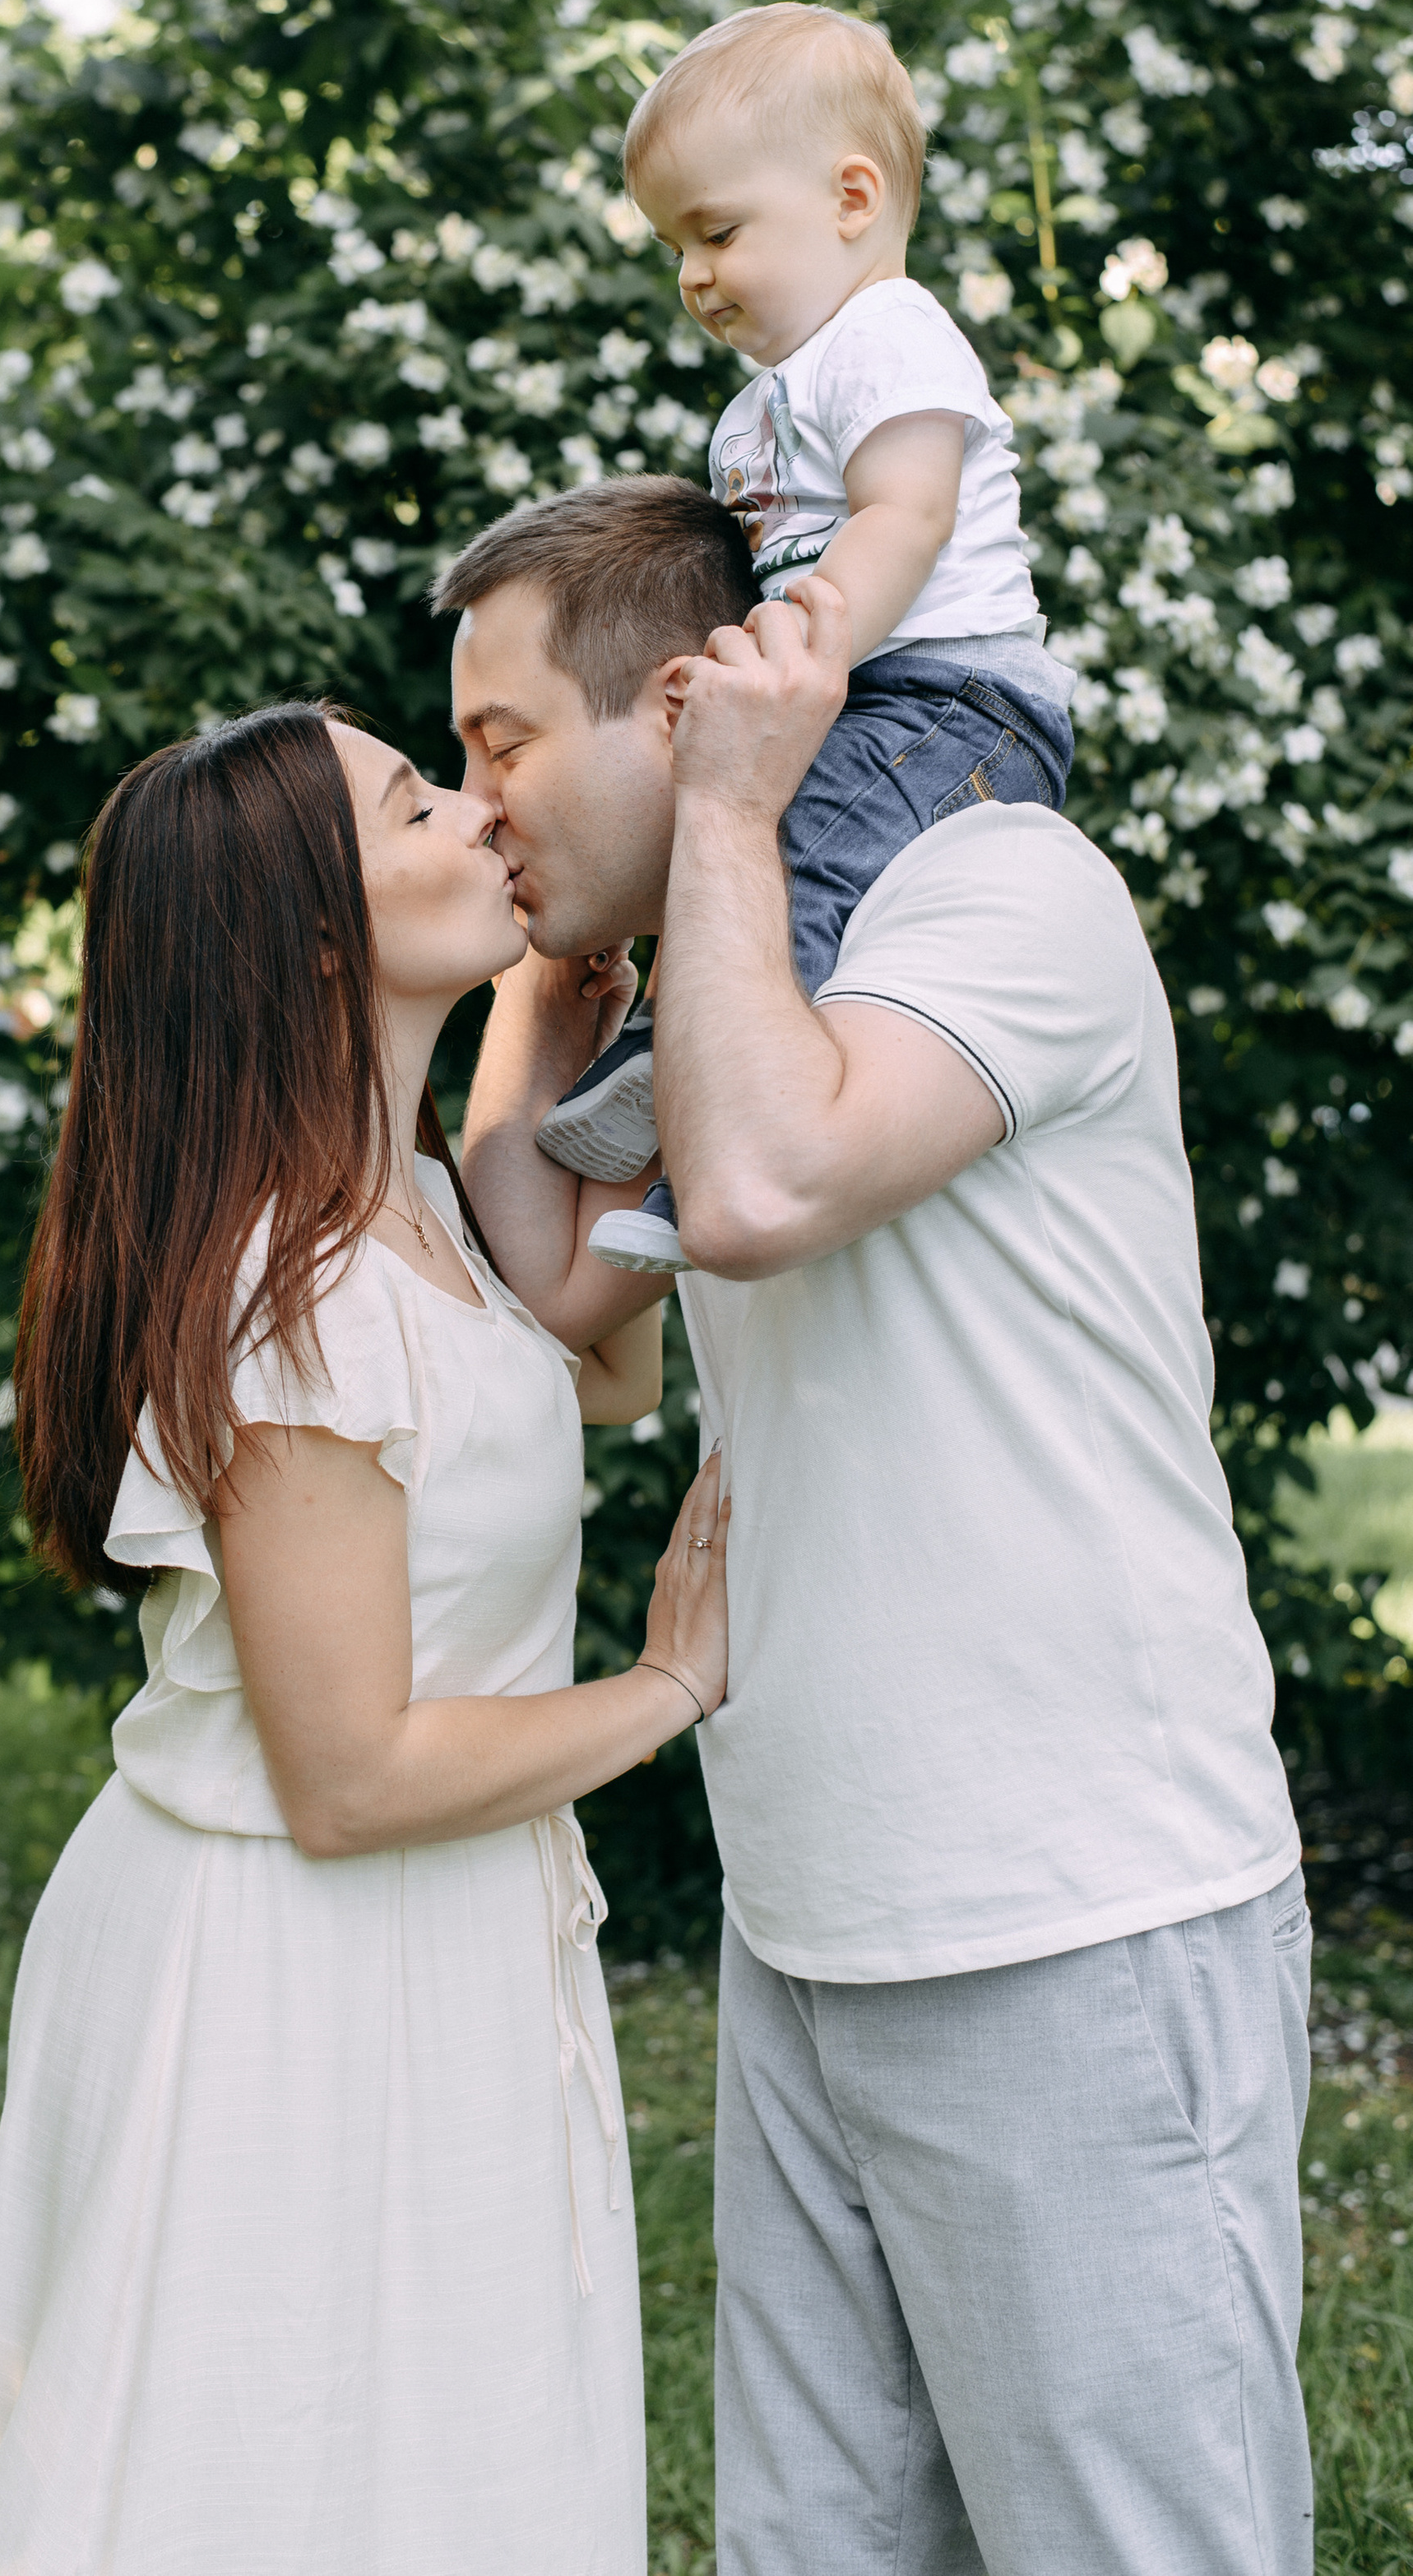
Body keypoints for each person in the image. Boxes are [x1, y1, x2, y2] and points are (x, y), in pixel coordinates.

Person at [442, 480, 1312, 2576]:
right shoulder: (725, 973)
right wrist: (546, 984)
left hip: (1065, 1903)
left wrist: (724, 826)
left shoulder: (1000, 887)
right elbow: (574, 1323)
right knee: (815, 2545)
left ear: (683, 704)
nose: (478, 809)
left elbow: (751, 1192)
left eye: (499, 748)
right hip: (809, 1902)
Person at [0, 701, 730, 2576]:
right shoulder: (295, 1293)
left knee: (436, 2455)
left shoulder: (420, 1212)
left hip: (435, 1929)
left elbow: (596, 1362)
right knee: (261, 2472)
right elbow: (349, 1774)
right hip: (284, 1953)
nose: (479, 806)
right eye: (417, 799)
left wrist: (553, 990)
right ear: (305, 937)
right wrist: (668, 1683)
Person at [530, 5, 1074, 1273]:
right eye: (677, 246)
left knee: (804, 864)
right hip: (856, 693)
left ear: (851, 195)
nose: (696, 276)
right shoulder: (755, 414)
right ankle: (669, 1052)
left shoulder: (888, 334)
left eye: (718, 231)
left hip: (951, 701)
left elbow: (910, 511)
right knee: (745, 847)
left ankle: (691, 1139)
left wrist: (805, 649)